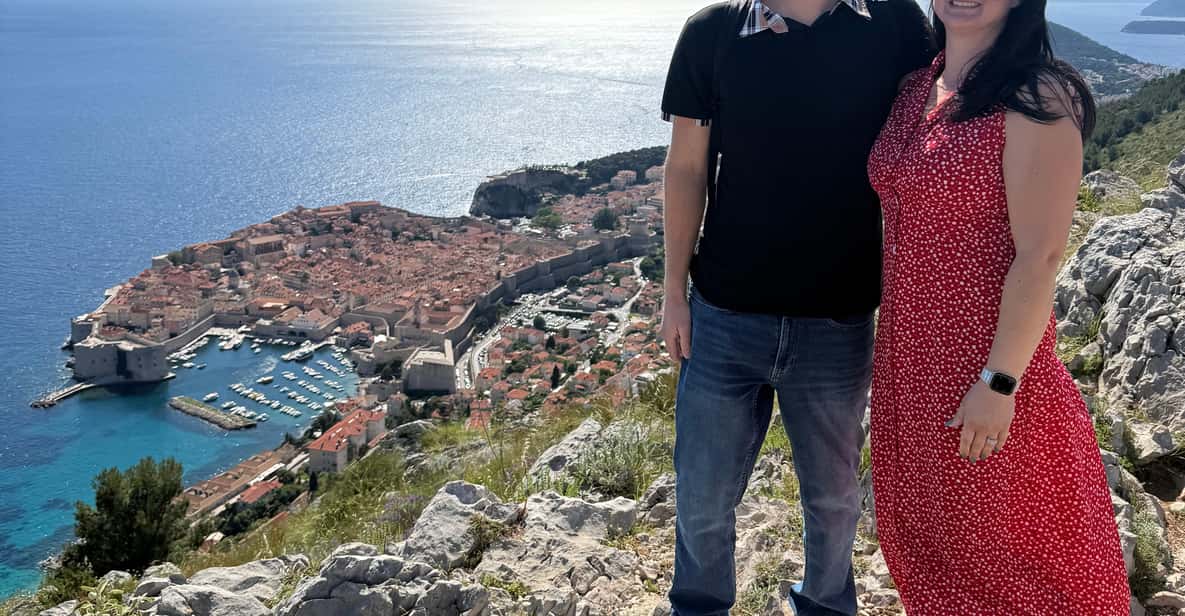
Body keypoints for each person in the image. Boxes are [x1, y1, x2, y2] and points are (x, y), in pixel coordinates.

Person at [659, 0, 934, 613]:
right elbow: (686, 168)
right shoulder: (712, 33)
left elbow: (952, 110)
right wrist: (673, 292)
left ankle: (827, 606)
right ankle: (699, 607)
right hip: (722, 315)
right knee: (702, 496)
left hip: (838, 321)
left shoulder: (894, 24)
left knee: (834, 499)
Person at [864, 0, 1130, 611]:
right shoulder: (917, 86)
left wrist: (1000, 381)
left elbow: (1041, 255)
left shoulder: (1035, 96)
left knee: (1011, 549)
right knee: (936, 536)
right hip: (910, 359)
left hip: (986, 362)